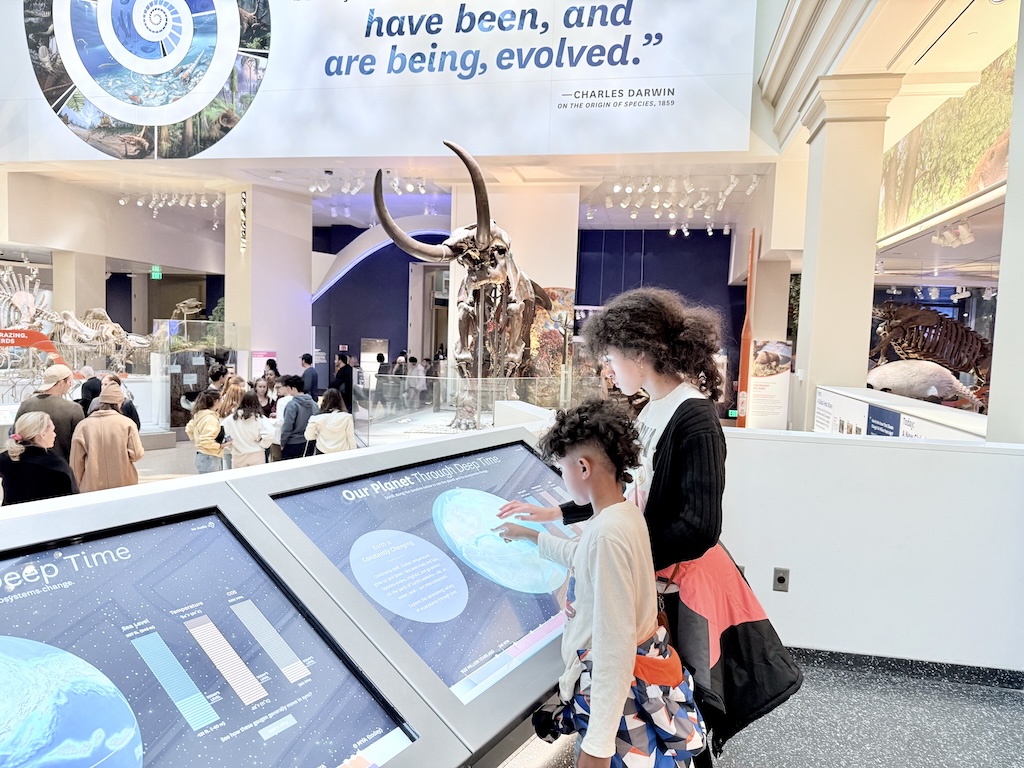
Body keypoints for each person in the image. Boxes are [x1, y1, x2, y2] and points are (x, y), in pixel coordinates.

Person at [499, 287, 802, 762]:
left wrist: (626, 563)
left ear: (640, 354)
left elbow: (699, 525)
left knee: (674, 698)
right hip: (651, 579)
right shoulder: (651, 410)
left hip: (681, 588)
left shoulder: (695, 419)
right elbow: (626, 491)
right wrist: (559, 514)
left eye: (614, 356)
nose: (611, 369)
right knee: (655, 695)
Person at [497, 400, 706, 768]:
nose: (562, 477)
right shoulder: (620, 516)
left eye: (562, 468)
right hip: (630, 692)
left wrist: (597, 744)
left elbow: (614, 646)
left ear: (582, 466)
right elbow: (583, 558)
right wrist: (531, 536)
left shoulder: (608, 534)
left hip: (618, 713)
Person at [70, 379, 145, 492]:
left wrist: (79, 486)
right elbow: (137, 454)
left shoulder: (83, 426)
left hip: (92, 485)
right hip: (124, 482)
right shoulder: (127, 424)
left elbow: (76, 463)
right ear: (119, 402)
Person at [0, 413, 78, 504]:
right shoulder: (57, 465)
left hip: (14, 514)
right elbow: (72, 499)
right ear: (43, 434)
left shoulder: (7, 458)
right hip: (46, 515)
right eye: (52, 430)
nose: (55, 435)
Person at [15, 363, 84, 465]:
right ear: (61, 383)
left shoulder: (26, 405)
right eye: (70, 382)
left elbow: (16, 436)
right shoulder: (74, 409)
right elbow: (80, 444)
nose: (71, 385)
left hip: (29, 466)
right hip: (62, 468)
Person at [222, 391, 274, 468]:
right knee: (256, 479)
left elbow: (223, 433)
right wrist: (263, 445)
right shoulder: (260, 418)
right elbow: (270, 434)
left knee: (239, 479)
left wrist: (230, 445)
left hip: (238, 454)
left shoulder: (231, 419)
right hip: (256, 453)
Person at [279, 375, 319, 460]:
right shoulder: (314, 404)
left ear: (293, 389)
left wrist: (282, 443)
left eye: (288, 388)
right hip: (309, 443)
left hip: (292, 443)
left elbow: (287, 426)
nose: (287, 390)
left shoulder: (292, 405)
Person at [304, 388, 355, 454]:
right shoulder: (347, 417)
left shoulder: (316, 419)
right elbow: (351, 439)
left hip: (322, 451)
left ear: (324, 400)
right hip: (342, 453)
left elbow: (308, 436)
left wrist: (318, 435)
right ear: (340, 400)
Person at [185, 390, 224, 474]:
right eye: (221, 399)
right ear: (216, 401)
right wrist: (220, 445)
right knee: (212, 484)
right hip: (210, 457)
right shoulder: (210, 419)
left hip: (202, 455)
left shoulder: (199, 415)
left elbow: (189, 429)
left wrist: (196, 441)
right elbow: (206, 441)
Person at [215, 375, 248, 470]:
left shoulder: (223, 402)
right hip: (233, 443)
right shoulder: (230, 406)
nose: (243, 390)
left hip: (228, 443)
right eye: (242, 387)